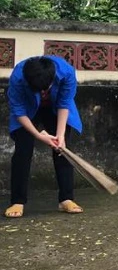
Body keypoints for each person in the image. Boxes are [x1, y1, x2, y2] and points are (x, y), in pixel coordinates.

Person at [5, 55, 84, 218]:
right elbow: (18, 110)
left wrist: (60, 135)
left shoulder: (66, 72)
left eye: (45, 89)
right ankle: (17, 201)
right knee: (23, 151)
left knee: (62, 149)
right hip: (27, 110)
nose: (42, 92)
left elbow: (64, 103)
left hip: (55, 108)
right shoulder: (18, 77)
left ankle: (66, 199)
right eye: (38, 89)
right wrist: (38, 135)